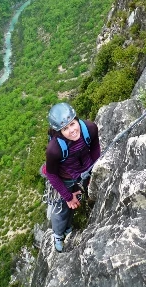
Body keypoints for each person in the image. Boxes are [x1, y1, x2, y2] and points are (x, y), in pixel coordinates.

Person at [45, 102, 101, 252]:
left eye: (72, 124)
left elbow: (95, 148)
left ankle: (69, 226)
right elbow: (51, 174)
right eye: (65, 128)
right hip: (65, 177)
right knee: (62, 207)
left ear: (77, 119)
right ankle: (58, 234)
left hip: (86, 168)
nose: (72, 130)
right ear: (59, 131)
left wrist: (94, 171)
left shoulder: (89, 128)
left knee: (78, 201)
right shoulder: (54, 149)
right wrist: (68, 196)